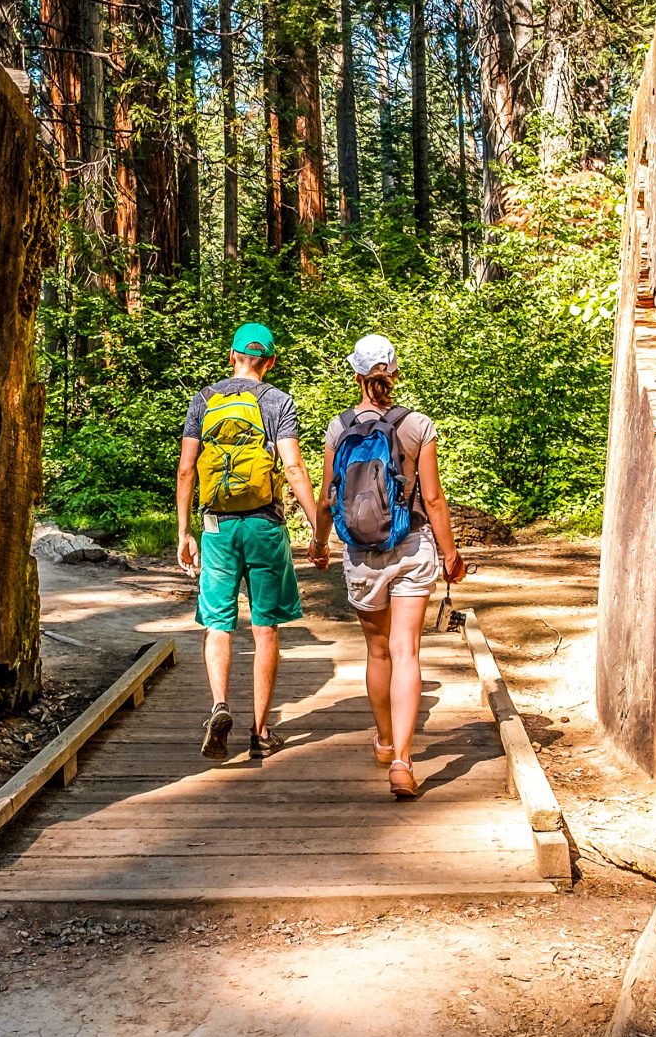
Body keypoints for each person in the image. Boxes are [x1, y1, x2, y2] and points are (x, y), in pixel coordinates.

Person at [310, 334, 466, 800]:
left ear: (356, 374)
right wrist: (451, 553)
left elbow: (326, 498)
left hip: (361, 553)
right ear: (394, 371)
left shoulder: (338, 429)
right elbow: (433, 498)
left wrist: (319, 544)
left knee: (378, 652)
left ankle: (382, 740)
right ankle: (402, 759)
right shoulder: (418, 426)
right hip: (413, 544)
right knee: (408, 653)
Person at [176, 322, 327, 765]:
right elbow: (294, 468)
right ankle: (260, 731)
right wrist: (318, 532)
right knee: (265, 628)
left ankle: (219, 705)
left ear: (232, 356)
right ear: (271, 361)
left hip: (217, 526)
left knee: (218, 622)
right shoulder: (278, 401)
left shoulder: (205, 399)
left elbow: (187, 470)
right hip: (264, 524)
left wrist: (185, 531)